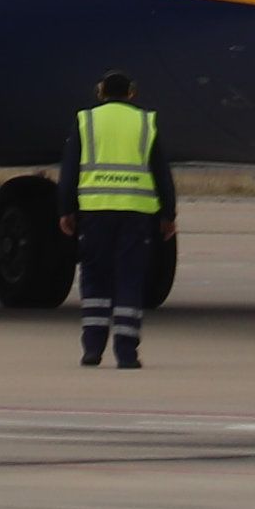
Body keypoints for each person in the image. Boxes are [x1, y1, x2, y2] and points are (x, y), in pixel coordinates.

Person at [59, 71, 175, 371]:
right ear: (132, 93)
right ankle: (126, 353)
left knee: (94, 276)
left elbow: (69, 170)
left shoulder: (86, 120)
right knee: (130, 279)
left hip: (95, 211)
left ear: (100, 92)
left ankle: (92, 349)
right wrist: (168, 215)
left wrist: (65, 210)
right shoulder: (145, 122)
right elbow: (161, 173)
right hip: (136, 213)